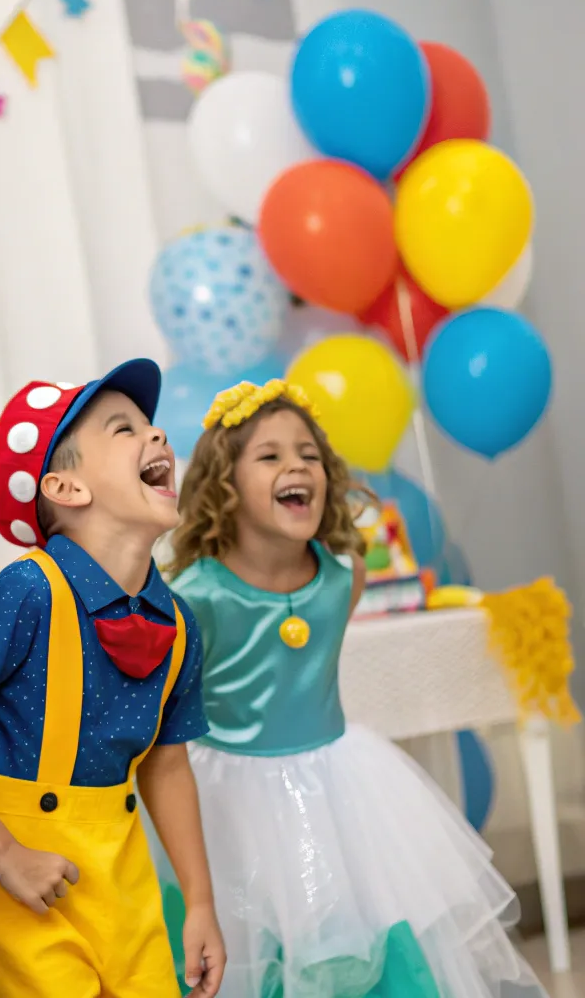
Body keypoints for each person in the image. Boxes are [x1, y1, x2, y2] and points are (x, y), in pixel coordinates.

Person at [164, 378, 548, 997]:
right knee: (258, 945)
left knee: (355, 940)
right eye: (270, 456)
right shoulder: (195, 598)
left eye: (309, 455)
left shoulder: (346, 576)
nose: (297, 466)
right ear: (223, 489)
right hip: (231, 795)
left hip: (338, 786)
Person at [0, 361, 226, 998]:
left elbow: (166, 765)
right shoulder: (26, 593)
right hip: (12, 876)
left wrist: (199, 903)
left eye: (151, 426)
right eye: (123, 429)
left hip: (121, 871)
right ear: (67, 487)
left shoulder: (180, 623)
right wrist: (5, 856)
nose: (156, 436)